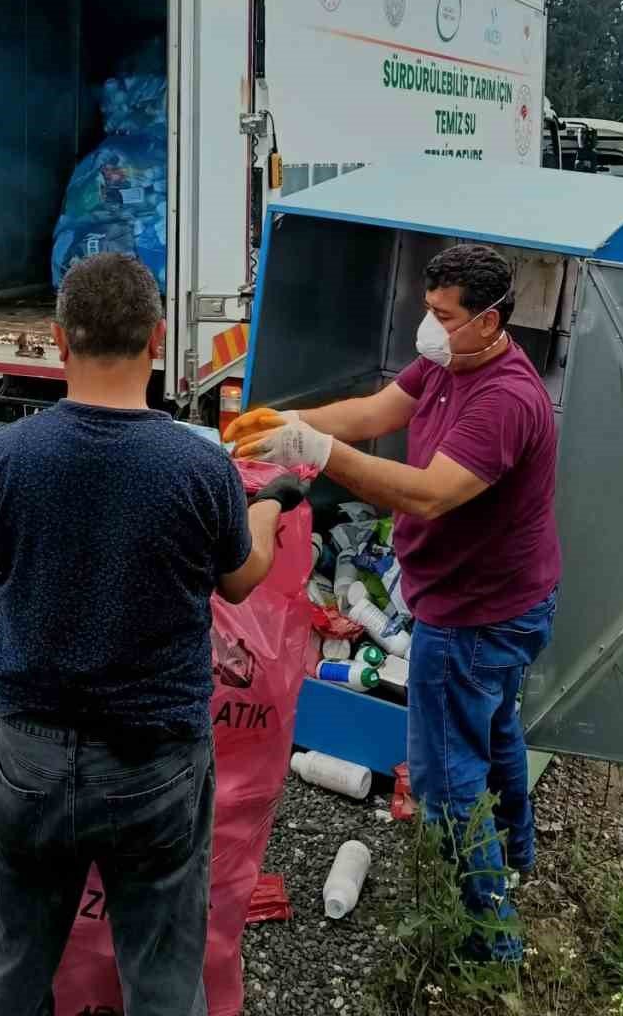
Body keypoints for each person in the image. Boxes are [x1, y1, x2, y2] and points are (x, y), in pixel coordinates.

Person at [0, 252, 306, 1016]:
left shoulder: (5, 458)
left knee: (11, 972)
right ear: (159, 339)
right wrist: (275, 502)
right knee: (160, 978)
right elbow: (241, 576)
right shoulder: (196, 468)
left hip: (30, 760)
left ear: (59, 340)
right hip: (154, 764)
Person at [227, 242, 559, 959]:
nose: (428, 326)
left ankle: (491, 939)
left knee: (444, 781)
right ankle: (520, 853)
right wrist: (284, 420)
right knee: (495, 725)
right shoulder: (449, 360)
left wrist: (312, 453)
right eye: (426, 309)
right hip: (502, 600)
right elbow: (374, 411)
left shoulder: (504, 399)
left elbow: (428, 493)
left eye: (443, 315)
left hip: (477, 616)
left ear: (490, 320)